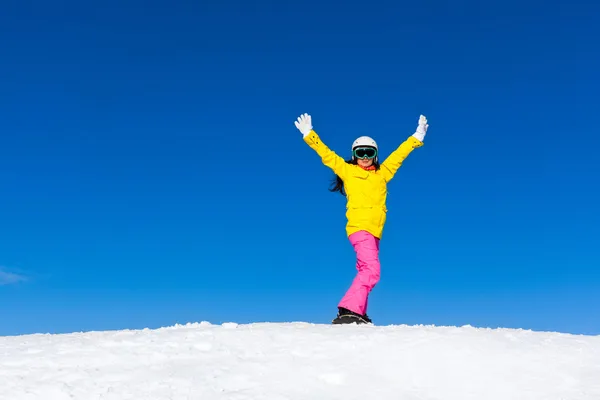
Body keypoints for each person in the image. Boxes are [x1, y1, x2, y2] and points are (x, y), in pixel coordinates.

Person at [294, 113, 429, 324]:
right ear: (354, 155)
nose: (364, 156)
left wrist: (417, 136)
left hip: (375, 232)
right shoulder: (348, 171)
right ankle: (349, 308)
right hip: (360, 228)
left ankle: (358, 312)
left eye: (369, 152)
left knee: (365, 269)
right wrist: (309, 134)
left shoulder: (382, 173)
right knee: (373, 271)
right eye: (360, 152)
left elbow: (398, 155)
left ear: (375, 155)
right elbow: (327, 155)